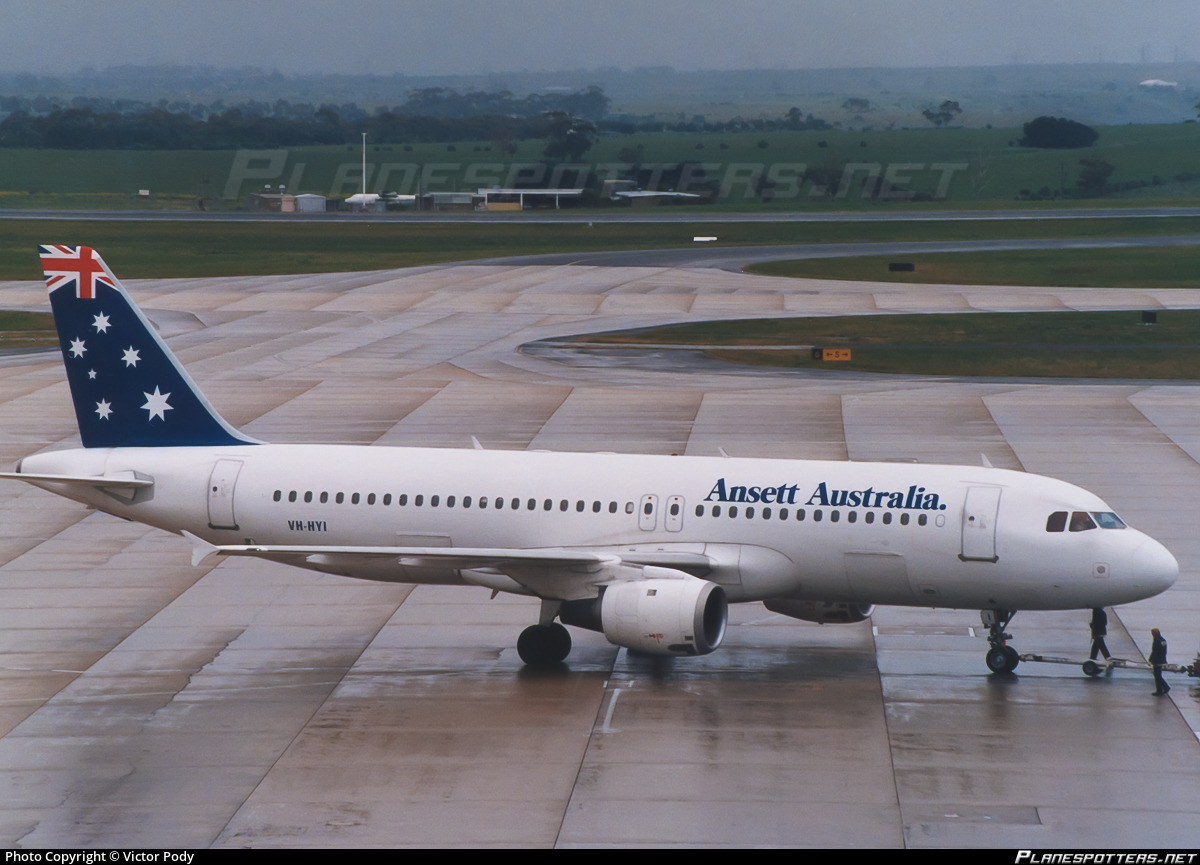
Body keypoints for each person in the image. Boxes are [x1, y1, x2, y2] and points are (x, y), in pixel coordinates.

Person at [1149, 628, 1170, 696]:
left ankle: (1163, 688)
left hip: (1157, 660)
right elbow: (1164, 651)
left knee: (1157, 675)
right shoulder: (1163, 640)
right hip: (1161, 659)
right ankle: (1161, 689)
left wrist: (1151, 659)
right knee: (1157, 674)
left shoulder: (1156, 640)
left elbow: (1155, 651)